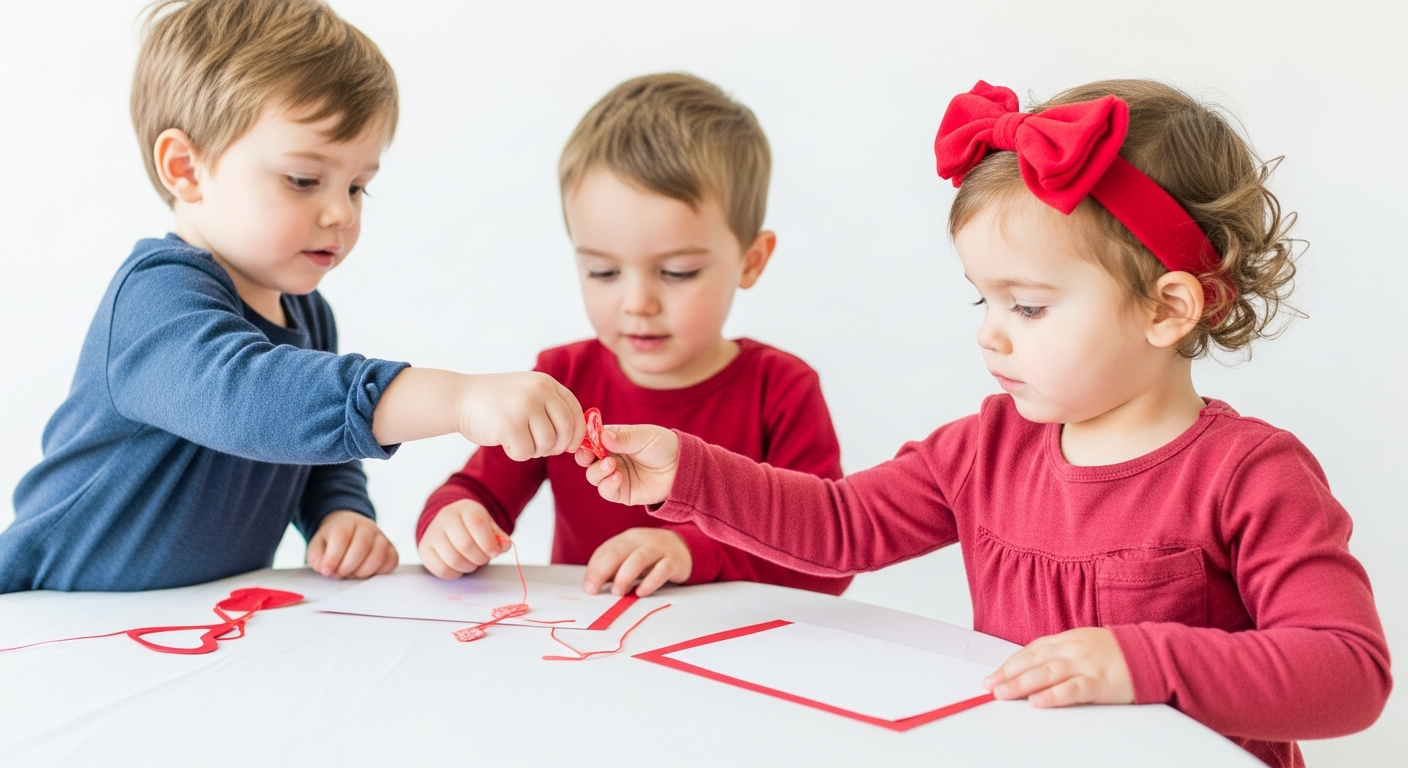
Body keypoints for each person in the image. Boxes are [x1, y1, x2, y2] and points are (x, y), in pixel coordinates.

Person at [577, 80, 1390, 767]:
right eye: (983, 299)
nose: (989, 335)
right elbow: (840, 524)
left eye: (1027, 306)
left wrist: (1142, 660)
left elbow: (1350, 672)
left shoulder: (1252, 475)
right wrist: (688, 471)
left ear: (1167, 308)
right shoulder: (987, 448)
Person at [0, 0, 584, 594]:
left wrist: (338, 511)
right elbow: (251, 401)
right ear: (186, 169)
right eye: (304, 180)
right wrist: (457, 398)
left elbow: (310, 445)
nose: (341, 213)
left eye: (357, 187)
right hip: (50, 606)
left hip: (179, 618)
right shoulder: (153, 299)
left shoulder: (308, 314)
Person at [417, 73, 850, 598]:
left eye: (678, 272)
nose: (637, 303)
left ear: (751, 260)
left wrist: (691, 551)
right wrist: (454, 520)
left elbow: (829, 557)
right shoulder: (560, 379)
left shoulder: (780, 390)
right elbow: (478, 491)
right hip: (586, 640)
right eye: (603, 272)